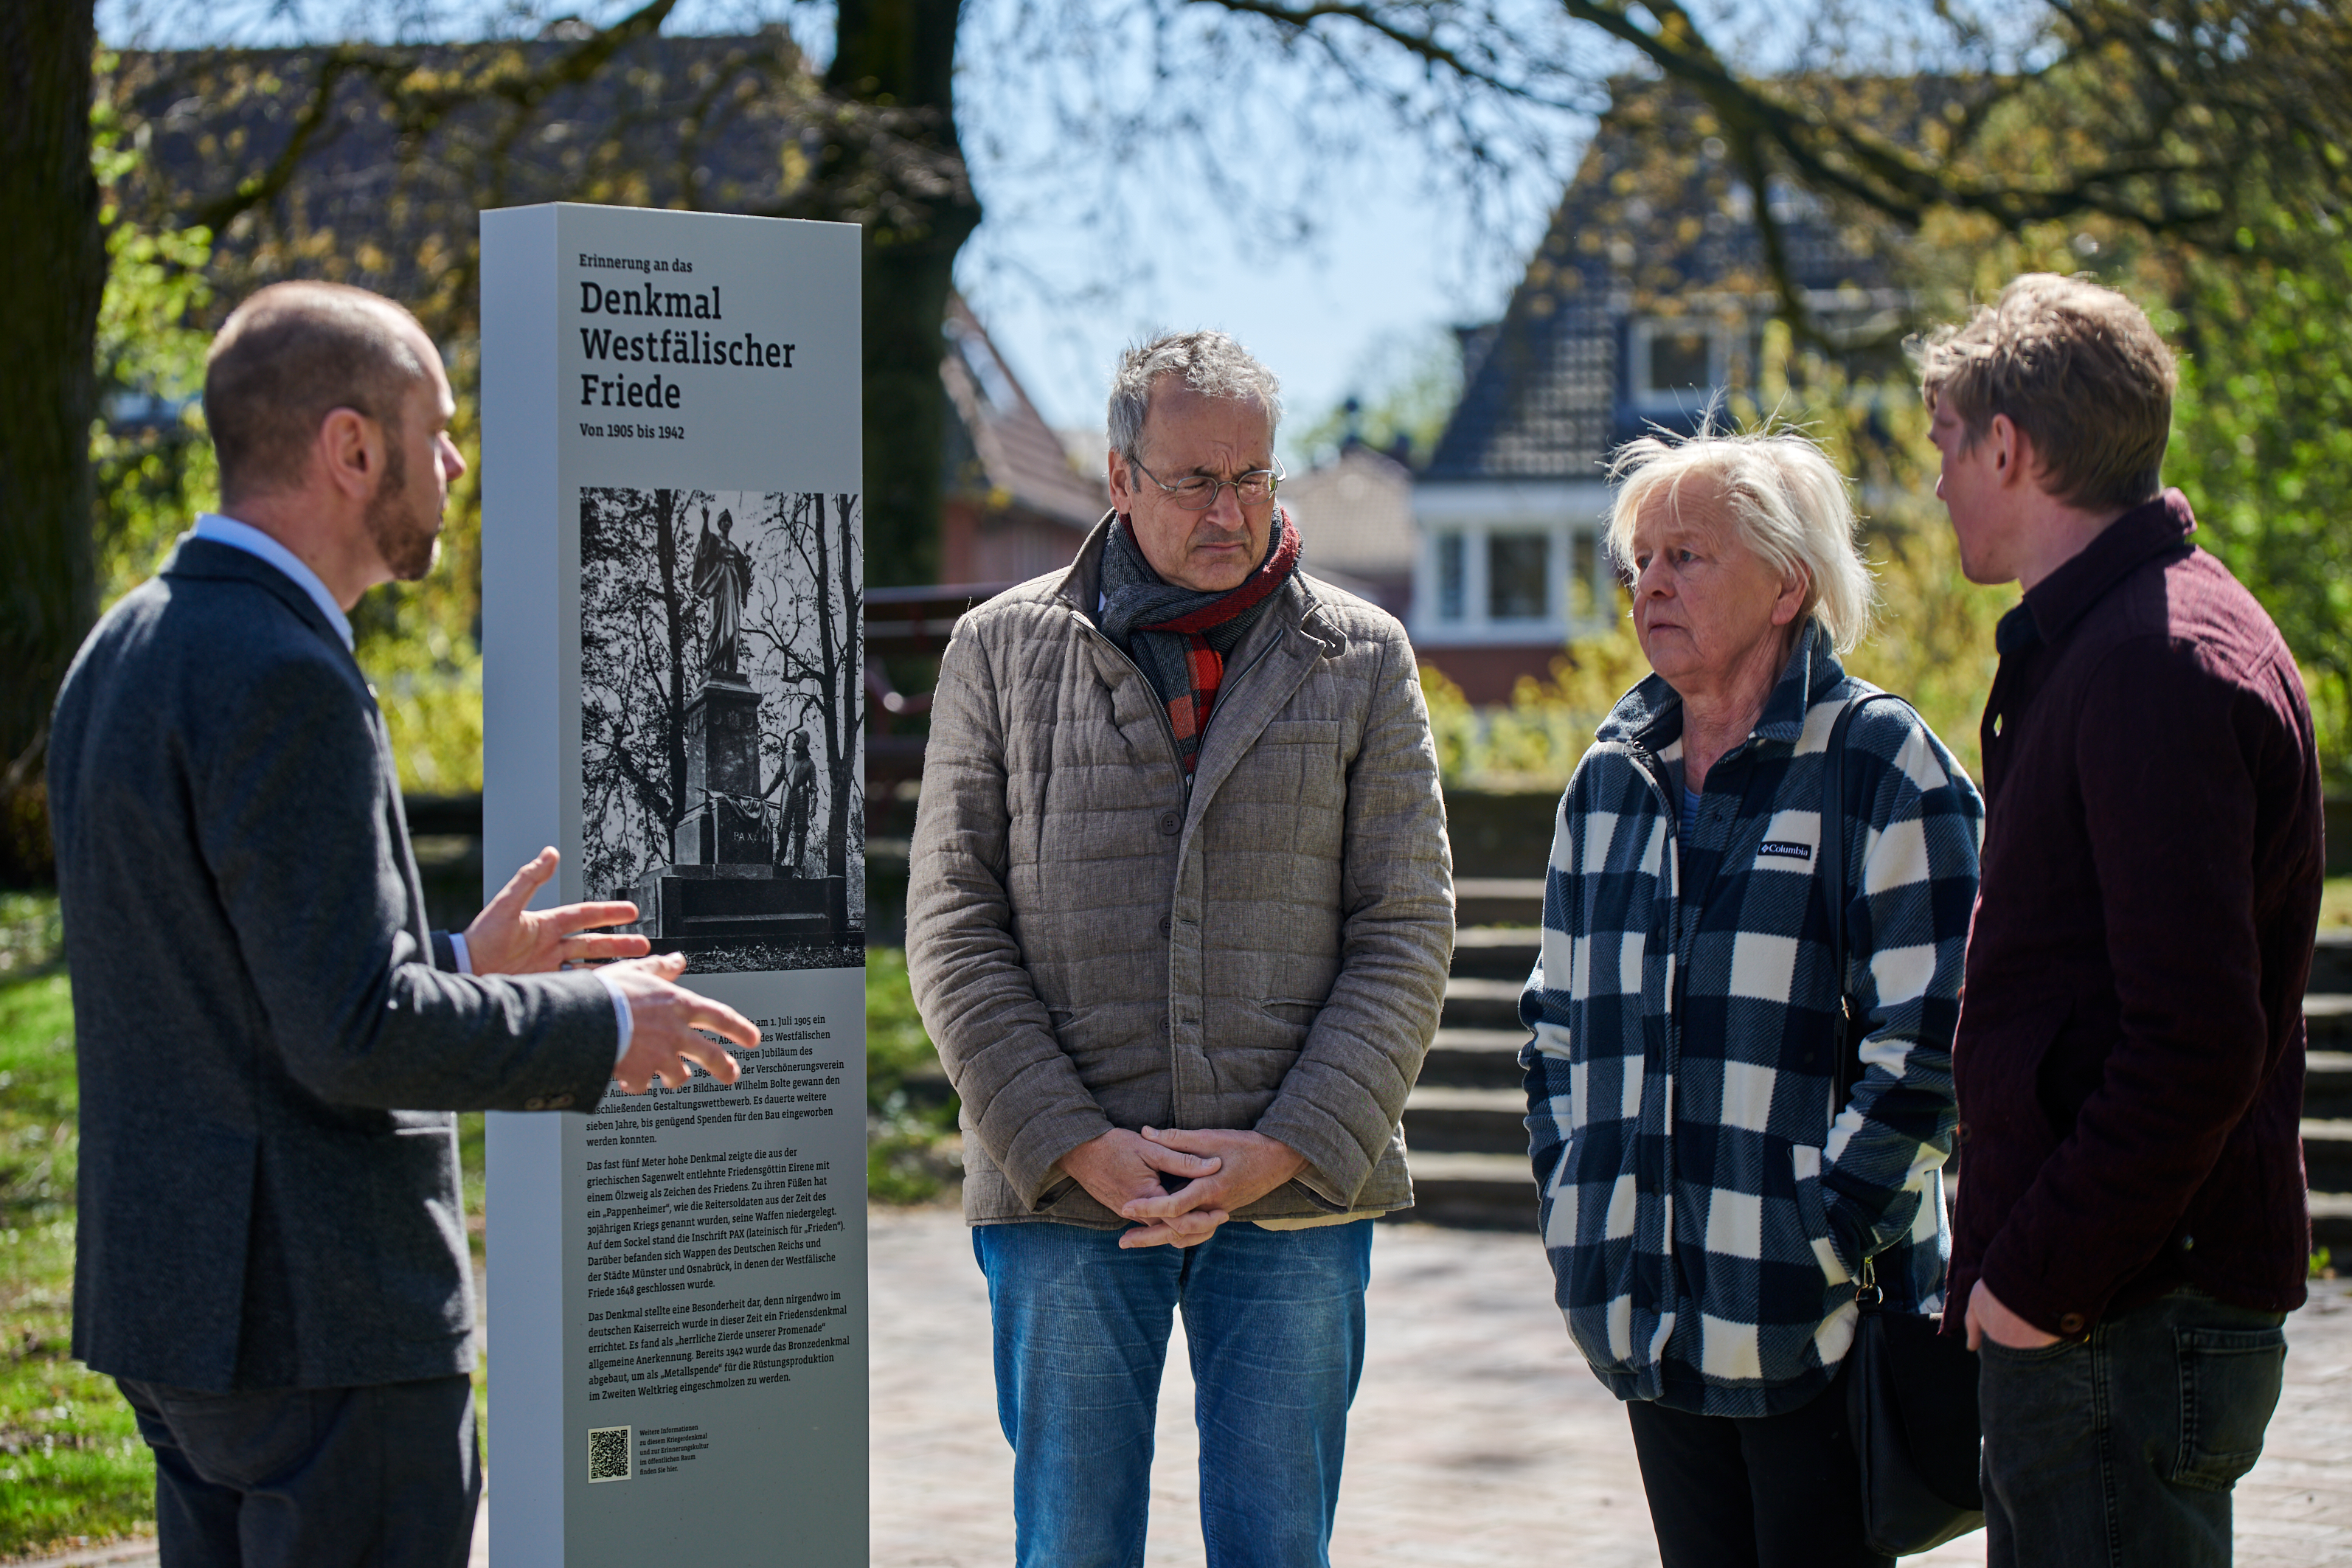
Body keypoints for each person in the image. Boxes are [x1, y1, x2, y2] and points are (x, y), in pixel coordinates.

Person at [47, 280, 762, 1568]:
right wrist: (601, 1023)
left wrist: (455, 965)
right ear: (349, 447)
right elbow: (352, 1036)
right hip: (326, 1326)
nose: (455, 461)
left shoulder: (125, 645)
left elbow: (229, 981)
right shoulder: (285, 674)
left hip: (178, 1318)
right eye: (434, 428)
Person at [905, 329, 1453, 1567]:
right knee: (1072, 1546)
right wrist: (1067, 1141)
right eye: (1194, 481)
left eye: (1253, 477)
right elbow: (951, 920)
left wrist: (1291, 1145)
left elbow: (1405, 925)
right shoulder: (997, 649)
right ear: (1117, 477)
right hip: (1061, 1187)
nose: (1232, 509)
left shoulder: (1361, 656)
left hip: (1295, 1188)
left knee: (1276, 1548)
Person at [1518, 426, 1984, 1567]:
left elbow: (1940, 1032)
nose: (1652, 583)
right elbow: (1553, 1026)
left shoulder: (1879, 760)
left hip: (1812, 1324)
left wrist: (1821, 1233)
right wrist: (1580, 1206)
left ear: (1788, 583)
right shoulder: (1609, 775)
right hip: (1646, 1312)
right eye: (1640, 559)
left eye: (1688, 555)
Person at [1918, 274, 2322, 1567]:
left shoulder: (2157, 662)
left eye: (1943, 446)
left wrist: (2036, 1279)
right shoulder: (2115, 640)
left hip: (2120, 1317)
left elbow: (2196, 1041)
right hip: (2108, 1309)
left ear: (2007, 445)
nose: (1935, 486)